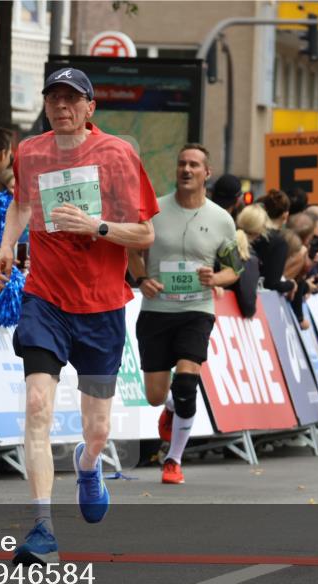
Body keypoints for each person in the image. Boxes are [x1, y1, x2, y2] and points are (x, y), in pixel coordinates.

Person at [0, 67, 158, 564]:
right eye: (53, 97)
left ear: (90, 108)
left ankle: (89, 467)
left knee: (98, 430)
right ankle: (42, 528)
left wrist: (97, 226)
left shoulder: (117, 154)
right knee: (38, 407)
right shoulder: (31, 152)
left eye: (72, 98)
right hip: (45, 299)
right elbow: (21, 203)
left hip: (102, 306)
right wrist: (6, 247)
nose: (61, 105)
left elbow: (144, 234)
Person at [127, 144, 240, 484]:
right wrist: (142, 279)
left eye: (194, 165)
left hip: (197, 308)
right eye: (181, 164)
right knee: (156, 395)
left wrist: (216, 277)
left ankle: (173, 460)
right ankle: (171, 407)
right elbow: (133, 251)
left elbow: (235, 268)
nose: (186, 170)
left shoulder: (221, 219)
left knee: (187, 381)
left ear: (207, 173)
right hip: (157, 310)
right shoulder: (154, 209)